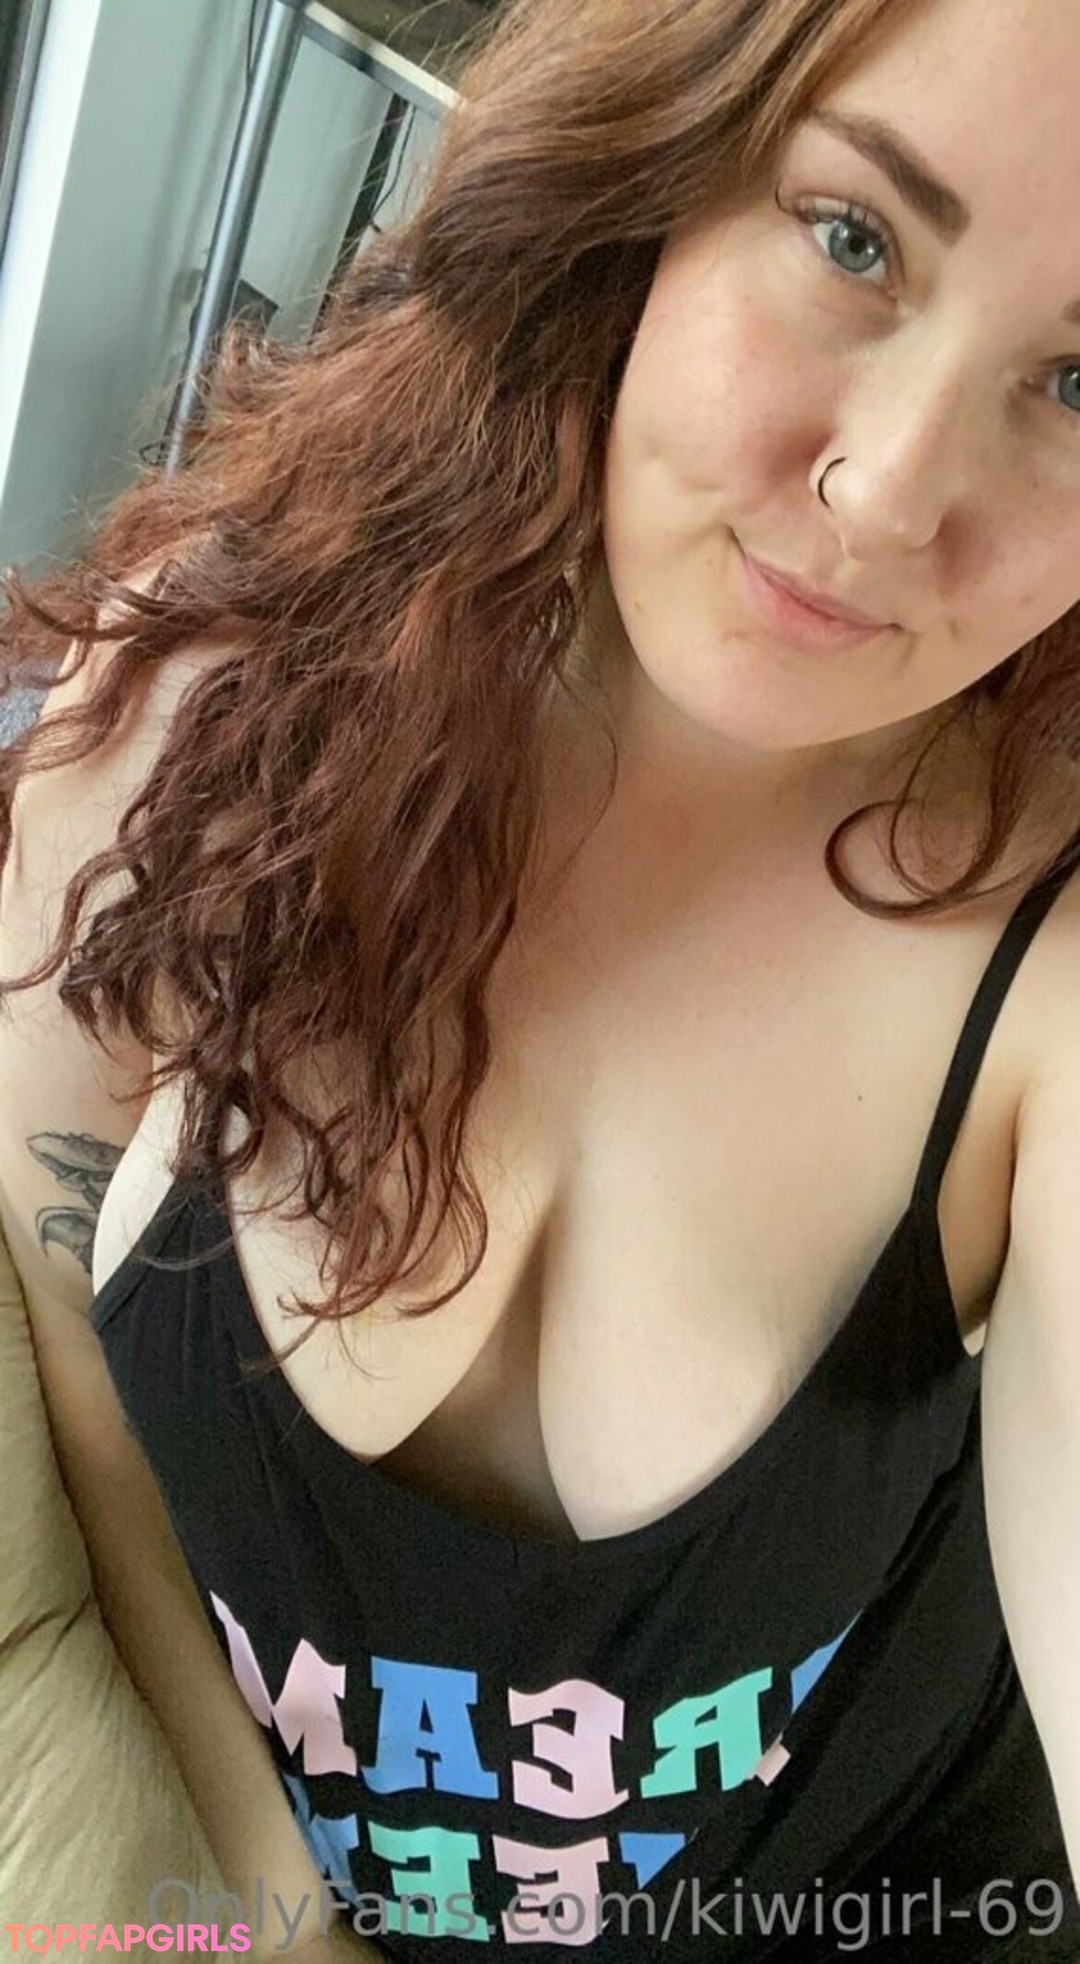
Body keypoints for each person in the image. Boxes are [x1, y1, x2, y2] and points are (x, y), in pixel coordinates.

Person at [1, 0, 1079, 1955]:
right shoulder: (187, 722)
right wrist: (271, 1911)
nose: (888, 492)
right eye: (853, 237)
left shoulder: (1047, 962)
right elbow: (68, 1324)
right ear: (654, 166)